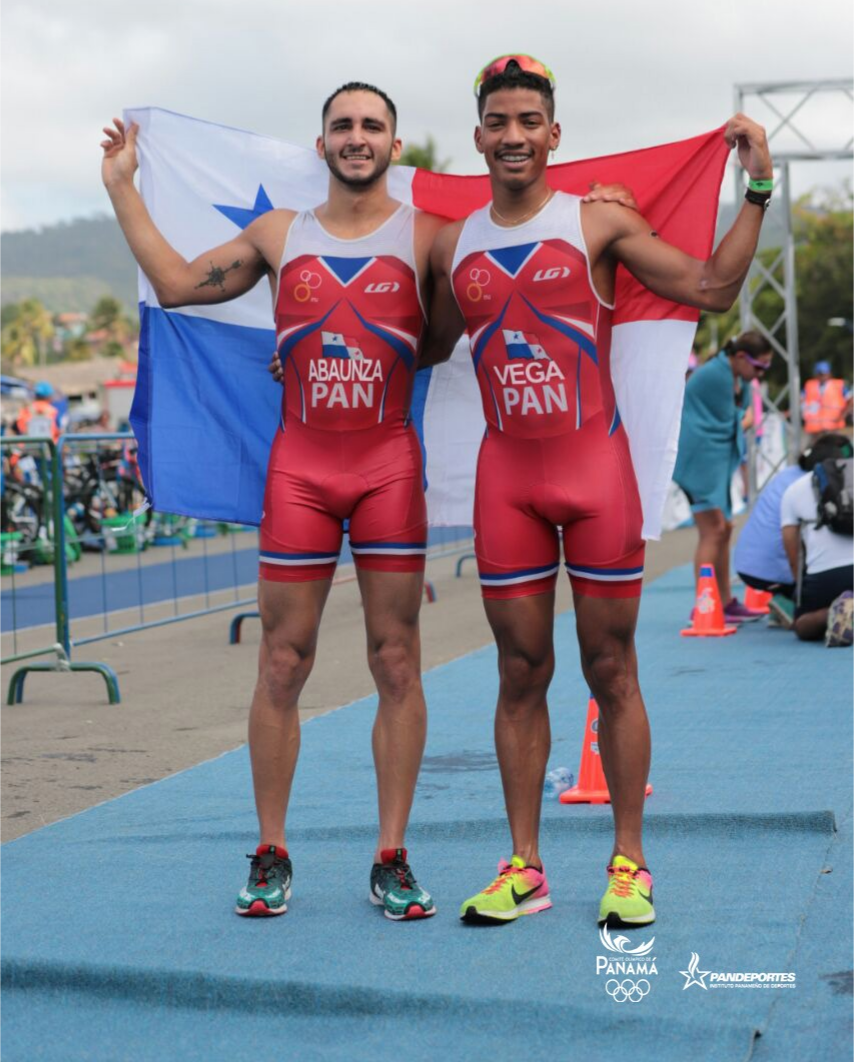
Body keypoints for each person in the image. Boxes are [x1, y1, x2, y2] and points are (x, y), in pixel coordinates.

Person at [419, 55, 773, 928]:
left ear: (553, 135)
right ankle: (526, 869)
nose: (512, 136)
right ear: (479, 138)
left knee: (610, 667)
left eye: (527, 122)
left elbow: (713, 287)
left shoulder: (597, 223)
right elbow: (421, 345)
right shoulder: (453, 240)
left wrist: (756, 185)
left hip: (594, 472)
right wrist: (299, 355)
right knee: (518, 672)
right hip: (508, 483)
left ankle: (629, 864)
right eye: (497, 123)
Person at [102, 83, 450, 921]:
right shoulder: (278, 234)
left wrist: (605, 203)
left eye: (373, 126)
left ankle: (392, 855)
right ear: (322, 141)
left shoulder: (433, 235)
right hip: (299, 468)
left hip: (387, 468)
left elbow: (516, 249)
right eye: (344, 125)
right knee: (281, 662)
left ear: (396, 147)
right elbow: (181, 285)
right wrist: (121, 186)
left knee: (395, 661)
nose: (357, 137)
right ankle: (270, 850)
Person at [673, 332, 773, 621]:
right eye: (759, 367)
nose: (761, 374)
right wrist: (746, 419)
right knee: (713, 530)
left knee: (725, 528)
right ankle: (704, 604)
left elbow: (737, 420)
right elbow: (734, 422)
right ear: (741, 357)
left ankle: (725, 601)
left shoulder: (735, 375)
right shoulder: (716, 376)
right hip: (697, 462)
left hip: (712, 460)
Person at [733, 433, 853, 614]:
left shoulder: (788, 475)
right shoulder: (819, 485)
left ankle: (796, 604)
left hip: (748, 567)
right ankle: (793, 604)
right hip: (781, 570)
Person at [780, 437, 854, 641]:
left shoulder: (793, 490)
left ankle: (829, 613)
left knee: (802, 625)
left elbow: (791, 547)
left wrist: (800, 587)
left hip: (824, 576)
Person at [802, 361, 852, 439]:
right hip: (815, 429)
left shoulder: (838, 385)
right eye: (820, 374)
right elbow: (801, 401)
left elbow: (850, 401)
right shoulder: (809, 385)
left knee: (838, 447)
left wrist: (843, 415)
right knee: (813, 449)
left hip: (833, 427)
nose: (822, 376)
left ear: (829, 373)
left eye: (824, 373)